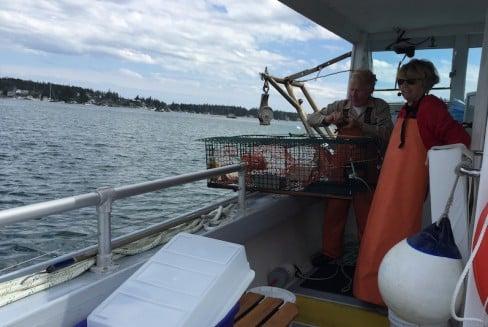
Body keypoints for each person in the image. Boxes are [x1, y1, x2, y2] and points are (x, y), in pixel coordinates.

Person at [353, 59, 471, 306]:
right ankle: (373, 291)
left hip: (407, 188)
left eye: (411, 81)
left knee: (395, 234)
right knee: (378, 232)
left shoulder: (430, 107)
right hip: (390, 183)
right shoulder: (408, 108)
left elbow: (460, 140)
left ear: (425, 83)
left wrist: (437, 162)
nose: (404, 86)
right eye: (401, 81)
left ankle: (386, 294)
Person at [307, 69, 393, 265]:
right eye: (351, 89)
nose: (353, 94)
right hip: (340, 167)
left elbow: (388, 133)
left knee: (366, 215)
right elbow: (311, 119)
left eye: (359, 90)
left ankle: (367, 258)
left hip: (366, 168)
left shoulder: (380, 107)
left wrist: (361, 126)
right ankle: (330, 252)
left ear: (370, 89)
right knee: (334, 210)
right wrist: (327, 119)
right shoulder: (340, 105)